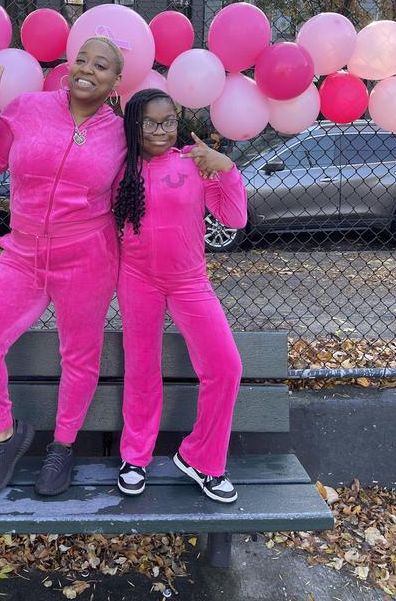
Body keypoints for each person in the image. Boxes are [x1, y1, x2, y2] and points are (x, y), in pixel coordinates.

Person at [0, 37, 126, 498]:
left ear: (116, 82)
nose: (88, 69)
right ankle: (5, 439)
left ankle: (63, 447)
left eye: (102, 65)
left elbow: (137, 193)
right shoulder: (29, 108)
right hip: (23, 253)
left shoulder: (121, 134)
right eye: (83, 59)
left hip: (87, 256)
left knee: (79, 356)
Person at [112, 88, 247, 502]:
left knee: (226, 367)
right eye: (150, 122)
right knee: (142, 369)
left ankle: (202, 459)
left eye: (168, 121)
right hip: (137, 279)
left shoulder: (194, 161)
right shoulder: (120, 168)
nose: (161, 130)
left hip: (191, 281)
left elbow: (234, 217)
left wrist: (226, 168)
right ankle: (135, 456)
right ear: (134, 125)